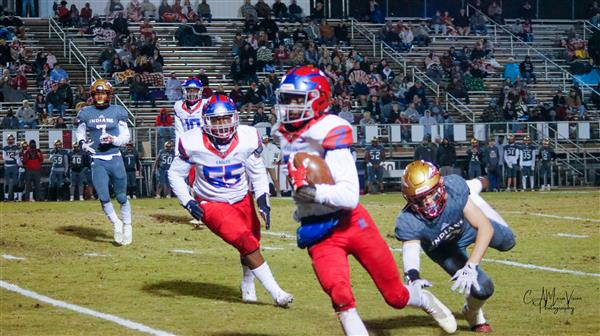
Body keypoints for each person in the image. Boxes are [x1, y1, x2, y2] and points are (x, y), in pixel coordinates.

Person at [274, 66, 456, 335]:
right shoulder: (283, 133)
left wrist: (313, 193)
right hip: (318, 231)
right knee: (341, 296)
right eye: (286, 98)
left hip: (352, 222)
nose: (289, 106)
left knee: (395, 297)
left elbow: (349, 196)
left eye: (297, 99)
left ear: (318, 98)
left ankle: (424, 298)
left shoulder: (331, 129)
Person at [168, 94, 294, 306]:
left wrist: (263, 199)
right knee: (246, 241)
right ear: (206, 121)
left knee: (252, 243)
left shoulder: (247, 137)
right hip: (211, 201)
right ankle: (277, 293)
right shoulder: (192, 141)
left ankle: (247, 282)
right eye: (216, 120)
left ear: (235, 118)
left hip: (242, 197)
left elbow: (257, 171)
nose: (222, 125)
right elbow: (174, 174)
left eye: (226, 119)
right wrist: (188, 201)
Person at [396, 161, 516, 334]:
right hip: (444, 249)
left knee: (508, 242)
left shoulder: (453, 188)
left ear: (440, 185)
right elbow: (410, 250)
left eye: (430, 194)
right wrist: (413, 277)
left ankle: (473, 187)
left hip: (467, 228)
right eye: (420, 199)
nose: (428, 202)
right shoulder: (408, 220)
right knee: (483, 289)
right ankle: (473, 313)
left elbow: (485, 228)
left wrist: (471, 265)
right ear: (409, 199)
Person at [76, 79, 133, 245]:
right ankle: (117, 223)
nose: (100, 97)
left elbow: (126, 137)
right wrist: (83, 144)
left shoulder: (117, 111)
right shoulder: (85, 112)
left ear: (109, 94)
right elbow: (79, 133)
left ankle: (128, 225)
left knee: (122, 196)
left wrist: (113, 139)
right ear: (92, 95)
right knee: (103, 195)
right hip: (97, 159)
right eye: (97, 94)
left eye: (103, 93)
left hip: (115, 157)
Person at [174, 78, 205, 153]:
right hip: (187, 144)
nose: (192, 93)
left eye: (194, 90)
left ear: (200, 91)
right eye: (189, 90)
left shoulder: (206, 104)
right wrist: (177, 152)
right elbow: (179, 132)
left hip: (203, 143)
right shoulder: (178, 106)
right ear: (184, 91)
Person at [2, 134, 20, 201]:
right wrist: (13, 157)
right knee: (6, 182)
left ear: (14, 140)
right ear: (7, 140)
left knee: (15, 182)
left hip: (14, 166)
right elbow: (4, 157)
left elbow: (17, 157)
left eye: (12, 139)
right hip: (7, 166)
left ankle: (16, 197)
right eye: (9, 139)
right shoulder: (4, 148)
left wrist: (11, 157)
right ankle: (6, 197)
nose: (11, 140)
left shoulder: (16, 147)